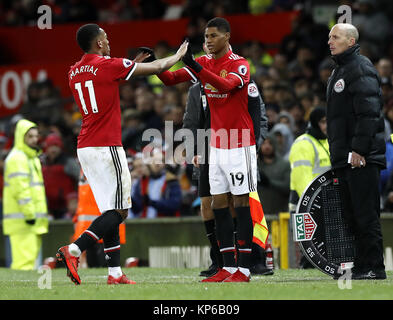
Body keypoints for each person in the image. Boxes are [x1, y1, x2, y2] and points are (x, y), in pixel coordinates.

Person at [56, 23, 188, 285]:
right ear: (99, 43)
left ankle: (115, 273)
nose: (109, 40)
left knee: (109, 210)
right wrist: (178, 55)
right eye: (105, 37)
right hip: (107, 146)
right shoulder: (110, 64)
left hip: (85, 147)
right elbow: (158, 68)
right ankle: (72, 250)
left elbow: (102, 79)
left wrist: (129, 65)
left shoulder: (73, 71)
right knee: (121, 210)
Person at [158, 17, 258, 282]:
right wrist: (154, 64)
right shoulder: (203, 62)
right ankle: (226, 267)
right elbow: (169, 80)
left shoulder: (239, 64)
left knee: (241, 203)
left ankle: (245, 269)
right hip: (216, 145)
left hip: (240, 144)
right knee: (218, 204)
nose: (208, 41)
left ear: (227, 36)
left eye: (213, 36)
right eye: (206, 37)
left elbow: (225, 86)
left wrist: (194, 65)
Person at [326, 23, 386, 280]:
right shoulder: (339, 70)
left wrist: (359, 150)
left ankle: (375, 266)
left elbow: (369, 113)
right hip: (346, 157)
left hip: (362, 157)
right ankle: (363, 266)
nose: (330, 41)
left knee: (365, 213)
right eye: (329, 37)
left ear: (351, 41)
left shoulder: (360, 68)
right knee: (352, 215)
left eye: (335, 37)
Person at [2, 119, 49, 270]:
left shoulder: (30, 157)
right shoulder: (18, 158)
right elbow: (21, 190)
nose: (35, 139)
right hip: (24, 220)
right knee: (24, 265)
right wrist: (29, 215)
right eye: (30, 136)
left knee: (29, 264)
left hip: (31, 220)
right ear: (21, 137)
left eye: (36, 136)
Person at [288, 106, 330, 268]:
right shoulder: (303, 144)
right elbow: (301, 179)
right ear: (314, 123)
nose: (327, 126)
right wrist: (315, 204)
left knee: (322, 252)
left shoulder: (327, 142)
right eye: (323, 122)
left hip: (323, 201)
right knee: (308, 253)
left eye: (328, 122)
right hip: (303, 203)